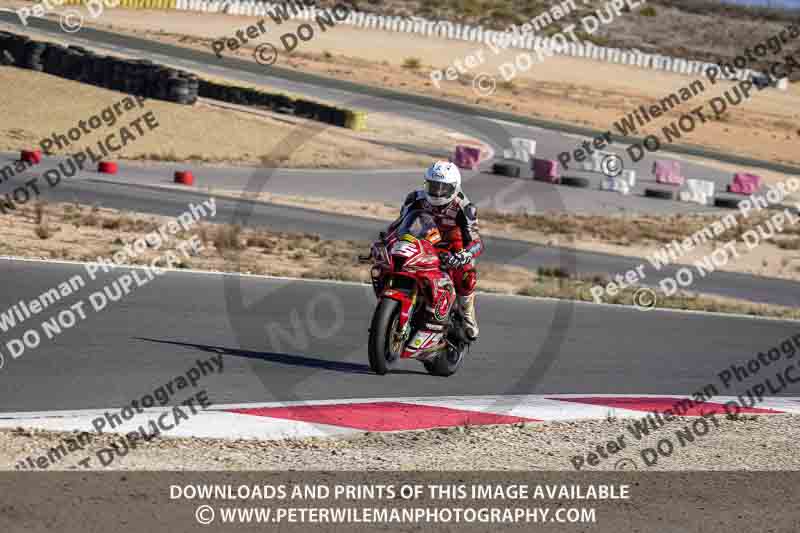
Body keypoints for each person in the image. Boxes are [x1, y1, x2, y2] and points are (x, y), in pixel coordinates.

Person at [388, 160, 483, 345]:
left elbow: (477, 242)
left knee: (467, 276)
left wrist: (465, 254)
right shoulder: (415, 198)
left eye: (442, 188)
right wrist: (387, 239)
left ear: (454, 188)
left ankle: (467, 314)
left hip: (453, 249)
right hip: (424, 241)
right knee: (390, 259)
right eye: (433, 186)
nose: (437, 192)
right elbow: (400, 224)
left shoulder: (465, 207)